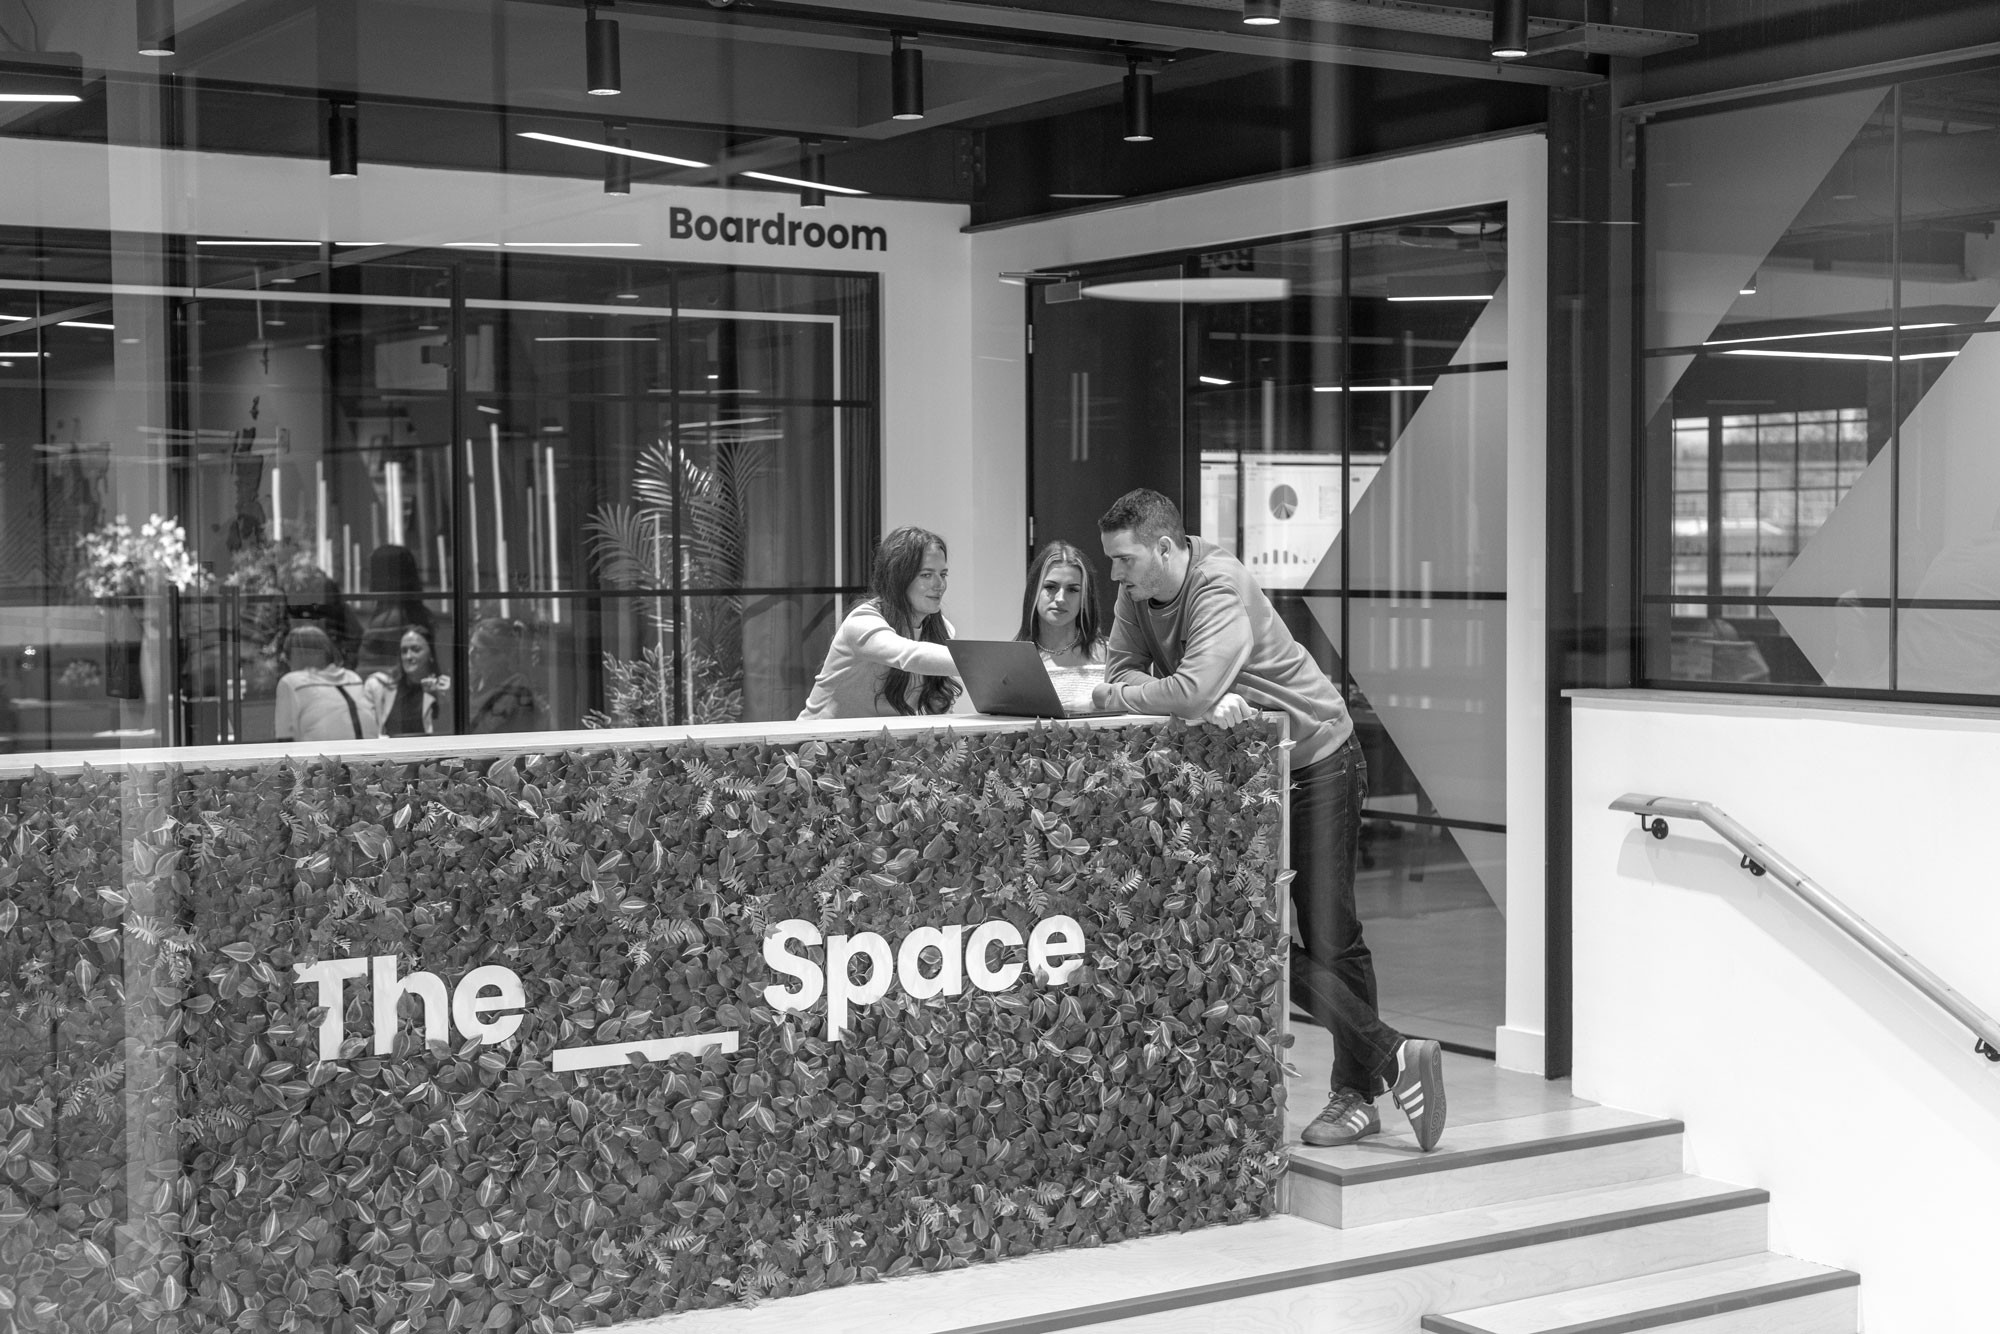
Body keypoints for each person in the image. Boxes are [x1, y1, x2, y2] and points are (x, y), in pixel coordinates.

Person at [1089, 488, 1446, 1152]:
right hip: (1250, 773)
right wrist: (1155, 689)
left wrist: (1150, 692)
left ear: (1164, 548)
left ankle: (1357, 1096)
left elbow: (1187, 690)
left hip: (1316, 758)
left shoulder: (1219, 584)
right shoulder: (1136, 595)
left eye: (1125, 559)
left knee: (1331, 935)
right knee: (1254, 936)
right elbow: (1127, 670)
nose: (1116, 574)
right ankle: (1394, 1053)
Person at [798, 526, 962, 719]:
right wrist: (983, 663)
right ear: (898, 578)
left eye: (942, 575)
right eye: (926, 575)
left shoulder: (943, 630)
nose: (939, 585)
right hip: (819, 743)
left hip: (881, 743)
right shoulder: (863, 622)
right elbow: (908, 655)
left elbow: (937, 703)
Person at [273, 624, 378, 743]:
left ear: (293, 656)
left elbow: (284, 742)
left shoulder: (290, 682)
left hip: (323, 760)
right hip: (370, 758)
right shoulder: (353, 678)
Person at [1015, 540, 1108, 669]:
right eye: (1050, 587)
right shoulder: (1012, 659)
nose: (1060, 599)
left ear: (1085, 599)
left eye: (1072, 590)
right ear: (1033, 592)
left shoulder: (1107, 656)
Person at [356, 543, 438, 679]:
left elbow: (369, 667)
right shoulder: (417, 612)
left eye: (373, 570)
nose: (369, 575)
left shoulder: (389, 619)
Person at [363, 624, 452, 737]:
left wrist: (443, 699)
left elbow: (446, 734)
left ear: (431, 654)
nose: (408, 656)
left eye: (416, 650)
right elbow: (368, 733)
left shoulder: (442, 688)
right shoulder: (380, 686)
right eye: (404, 651)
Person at [466, 617, 551, 734]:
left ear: (501, 656)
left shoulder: (516, 687)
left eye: (478, 651)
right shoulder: (473, 682)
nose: (470, 653)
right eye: (470, 646)